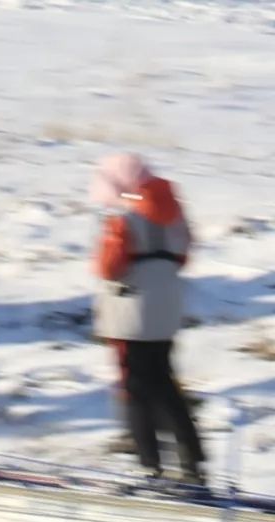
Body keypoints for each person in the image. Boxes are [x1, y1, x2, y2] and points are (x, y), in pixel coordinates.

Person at [90, 151, 208, 486]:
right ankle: (192, 461)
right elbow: (183, 257)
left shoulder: (123, 219)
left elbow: (107, 268)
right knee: (165, 383)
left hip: (130, 312)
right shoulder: (175, 216)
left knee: (136, 387)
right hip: (166, 310)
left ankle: (149, 465)